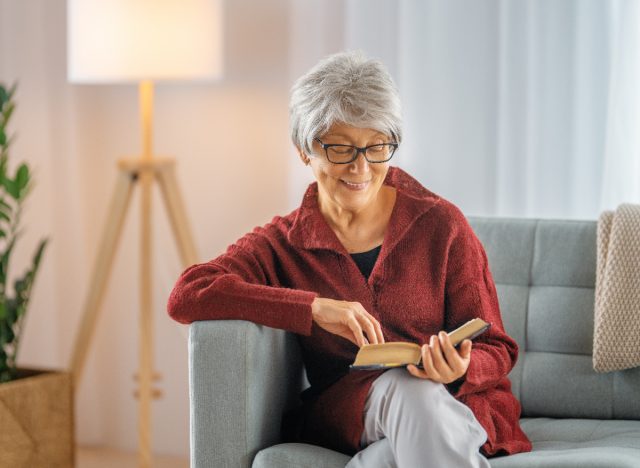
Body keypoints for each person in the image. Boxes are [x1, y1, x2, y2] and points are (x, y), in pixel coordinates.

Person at [168, 50, 532, 467]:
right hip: (353, 413)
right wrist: (314, 308)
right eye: (341, 149)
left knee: (406, 428)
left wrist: (459, 368)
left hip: (454, 402)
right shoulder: (283, 243)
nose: (361, 167)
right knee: (410, 394)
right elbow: (188, 294)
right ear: (305, 150)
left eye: (377, 147)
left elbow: (497, 347)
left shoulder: (441, 224)